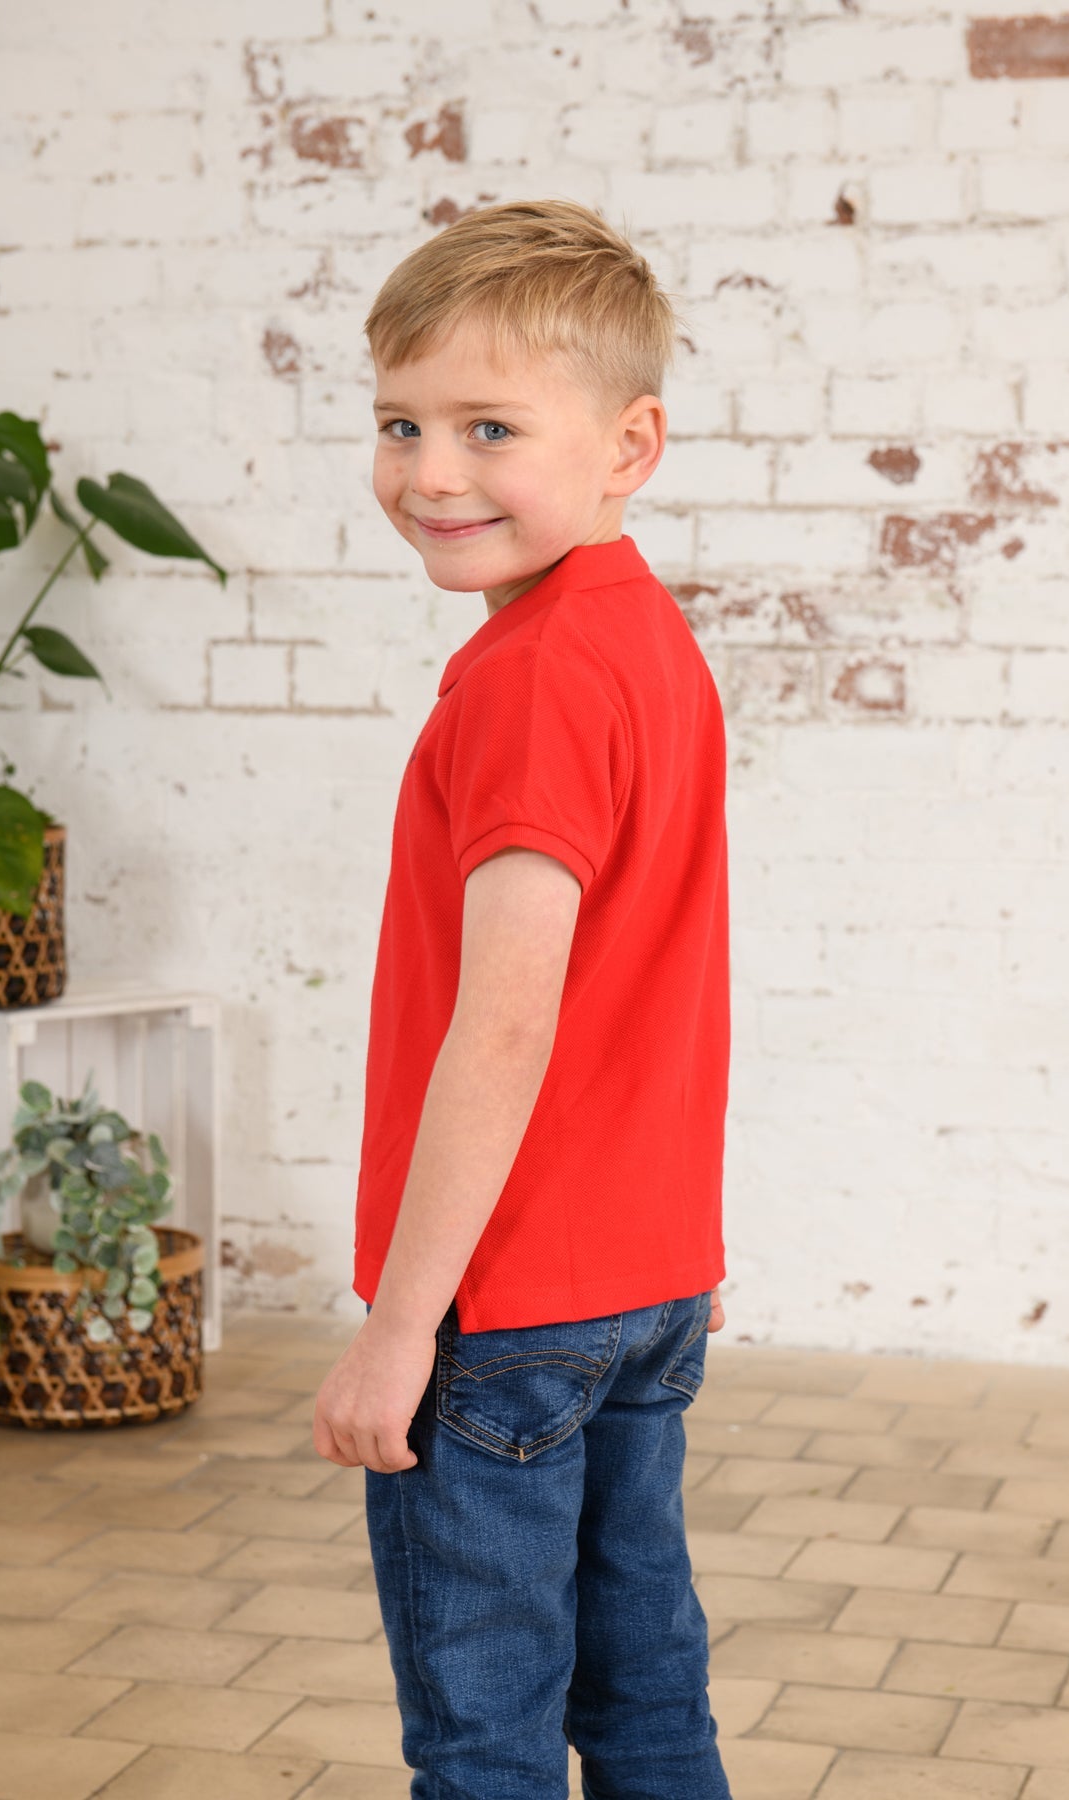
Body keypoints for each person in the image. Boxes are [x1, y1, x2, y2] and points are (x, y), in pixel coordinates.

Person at [312, 197, 732, 1800]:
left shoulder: (534, 675)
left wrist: (400, 1331)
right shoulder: (641, 639)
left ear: (631, 443)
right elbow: (653, 977)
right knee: (642, 1696)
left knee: (483, 1735)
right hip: (643, 1285)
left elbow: (507, 1017)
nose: (430, 472)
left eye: (490, 427)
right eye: (399, 423)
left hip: (503, 1313)